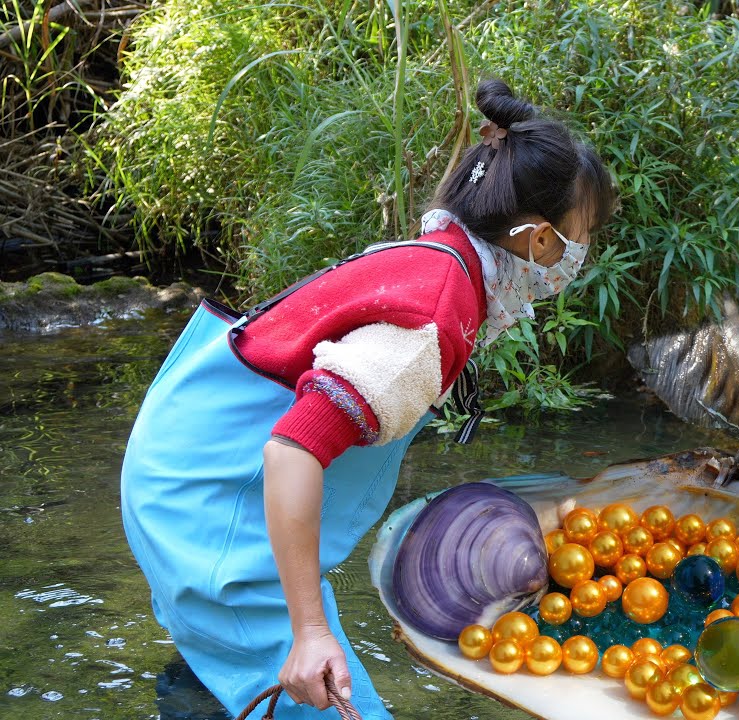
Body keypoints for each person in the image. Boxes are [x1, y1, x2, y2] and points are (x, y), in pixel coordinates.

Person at [120, 79, 616, 719]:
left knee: (224, 668)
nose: (583, 252)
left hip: (183, 454)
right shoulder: (431, 322)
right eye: (584, 234)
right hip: (211, 505)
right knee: (324, 689)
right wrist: (310, 632)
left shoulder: (439, 258)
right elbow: (293, 448)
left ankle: (206, 684)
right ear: (541, 240)